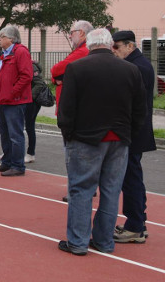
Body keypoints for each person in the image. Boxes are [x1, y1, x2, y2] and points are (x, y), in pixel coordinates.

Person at [57, 28, 146, 256]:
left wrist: (68, 133)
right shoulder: (131, 70)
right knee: (111, 191)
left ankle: (77, 242)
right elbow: (139, 110)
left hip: (85, 139)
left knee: (81, 190)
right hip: (119, 139)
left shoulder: (76, 68)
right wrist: (128, 133)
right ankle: (105, 241)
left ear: (89, 45)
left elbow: (66, 109)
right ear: (109, 45)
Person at [111, 30, 157, 243]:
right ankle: (139, 222)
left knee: (130, 179)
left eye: (117, 47)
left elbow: (131, 101)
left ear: (130, 46)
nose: (114, 51)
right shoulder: (140, 64)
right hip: (135, 129)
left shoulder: (137, 67)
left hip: (133, 131)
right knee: (133, 177)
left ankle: (135, 226)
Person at [0, 25, 33, 177]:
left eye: (2, 37)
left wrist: (12, 92)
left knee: (15, 134)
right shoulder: (5, 54)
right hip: (4, 100)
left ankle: (18, 165)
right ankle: (7, 162)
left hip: (15, 101)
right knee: (4, 132)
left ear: (11, 39)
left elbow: (26, 76)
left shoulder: (20, 52)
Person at [51, 20, 91, 114]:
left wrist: (57, 78)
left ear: (81, 33)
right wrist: (56, 79)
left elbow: (55, 70)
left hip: (70, 106)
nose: (69, 36)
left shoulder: (83, 51)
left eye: (71, 32)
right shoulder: (82, 50)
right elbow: (56, 74)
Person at [24, 61, 46, 163]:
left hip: (32, 102)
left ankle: (30, 153)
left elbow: (39, 84)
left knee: (29, 126)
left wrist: (30, 97)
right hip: (25, 100)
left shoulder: (31, 66)